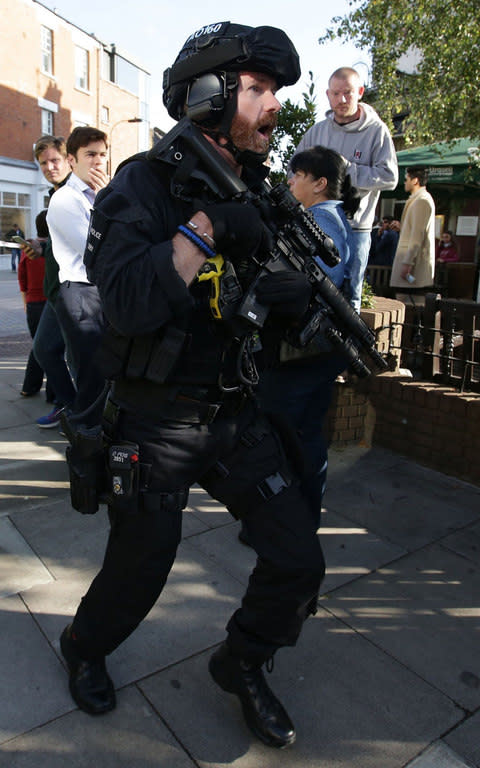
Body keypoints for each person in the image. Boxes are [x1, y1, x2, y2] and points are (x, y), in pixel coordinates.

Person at [59, 22, 325, 750]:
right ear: (208, 95)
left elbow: (254, 307)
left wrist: (291, 302)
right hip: (154, 419)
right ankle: (83, 647)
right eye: (260, 90)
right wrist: (208, 226)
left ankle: (242, 661)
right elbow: (126, 304)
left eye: (276, 92)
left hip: (235, 413)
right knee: (140, 568)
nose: (274, 106)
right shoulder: (143, 186)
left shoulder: (258, 190)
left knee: (300, 558)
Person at [256, 145, 359, 530]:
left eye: (296, 175)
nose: (290, 181)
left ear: (319, 183)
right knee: (307, 437)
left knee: (283, 437)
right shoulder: (326, 216)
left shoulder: (322, 220)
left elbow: (312, 283)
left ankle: (285, 523)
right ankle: (301, 520)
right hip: (318, 351)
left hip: (304, 352)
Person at [294, 67, 398, 311]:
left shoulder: (377, 132)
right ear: (328, 95)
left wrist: (347, 169)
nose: (341, 100)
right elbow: (294, 170)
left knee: (349, 295)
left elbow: (390, 177)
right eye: (336, 93)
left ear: (360, 92)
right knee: (310, 289)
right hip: (315, 225)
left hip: (356, 229)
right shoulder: (317, 132)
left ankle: (347, 348)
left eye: (348, 93)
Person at [46, 126, 109, 422]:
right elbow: (97, 251)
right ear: (72, 160)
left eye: (102, 155)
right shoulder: (65, 200)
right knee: (91, 378)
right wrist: (109, 200)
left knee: (104, 374)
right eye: (90, 155)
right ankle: (86, 441)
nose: (98, 162)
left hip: (99, 292)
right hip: (80, 292)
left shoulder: (98, 196)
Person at [29, 135, 77, 429]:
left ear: (67, 159)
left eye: (54, 160)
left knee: (60, 354)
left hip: (73, 290)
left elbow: (83, 241)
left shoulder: (76, 191)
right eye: (43, 162)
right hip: (56, 290)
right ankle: (68, 405)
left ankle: (76, 410)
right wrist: (43, 244)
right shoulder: (57, 193)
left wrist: (44, 246)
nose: (49, 166)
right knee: (47, 350)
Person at [17, 210, 54, 400]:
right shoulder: (54, 249)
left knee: (38, 346)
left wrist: (25, 302)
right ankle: (52, 393)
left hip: (32, 303)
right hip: (51, 303)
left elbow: (22, 278)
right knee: (51, 348)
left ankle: (30, 386)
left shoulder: (29, 248)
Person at [390, 166, 435, 293]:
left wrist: (408, 263)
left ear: (415, 180)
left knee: (410, 303)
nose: (404, 182)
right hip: (410, 265)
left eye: (406, 179)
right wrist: (402, 228)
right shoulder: (418, 200)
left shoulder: (422, 201)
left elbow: (417, 235)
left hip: (413, 267)